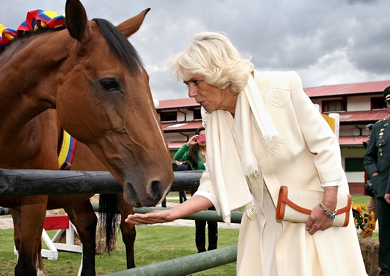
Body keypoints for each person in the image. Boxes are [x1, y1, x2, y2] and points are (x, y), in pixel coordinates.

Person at [126, 31, 366, 275]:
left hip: (310, 218)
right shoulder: (212, 116)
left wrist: (328, 205)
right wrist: (173, 213)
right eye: (187, 84)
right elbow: (214, 181)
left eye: (196, 82)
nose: (191, 94)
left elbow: (324, 143)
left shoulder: (282, 87)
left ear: (219, 73)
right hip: (263, 224)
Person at [174, 127, 218, 253]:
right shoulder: (191, 154)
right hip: (198, 191)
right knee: (199, 223)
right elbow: (178, 156)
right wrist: (188, 144)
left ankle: (213, 249)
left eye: (206, 136)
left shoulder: (215, 151)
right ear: (196, 138)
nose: (203, 140)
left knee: (213, 223)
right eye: (200, 137)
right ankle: (201, 250)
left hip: (213, 191)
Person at [364, 85, 390, 275]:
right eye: (389, 103)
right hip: (383, 192)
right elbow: (369, 157)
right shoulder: (380, 127)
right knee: (386, 236)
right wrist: (376, 176)